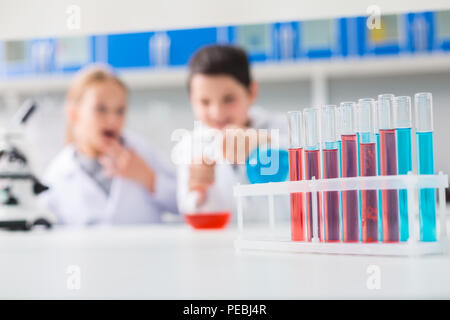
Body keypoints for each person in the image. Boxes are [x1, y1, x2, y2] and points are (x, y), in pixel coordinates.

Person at [40, 64, 178, 225]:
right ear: (74, 114)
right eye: (101, 109)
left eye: (120, 111)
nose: (113, 120)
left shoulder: (143, 152)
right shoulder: (57, 174)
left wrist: (148, 178)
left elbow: (185, 204)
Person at [174, 45, 288, 221]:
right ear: (191, 101)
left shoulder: (281, 127)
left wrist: (266, 142)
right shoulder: (190, 145)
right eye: (205, 102)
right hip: (222, 245)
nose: (217, 113)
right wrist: (199, 191)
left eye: (228, 99)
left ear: (251, 92)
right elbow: (189, 209)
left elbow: (311, 173)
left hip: (279, 240)